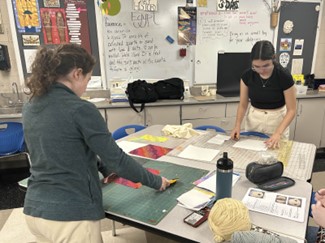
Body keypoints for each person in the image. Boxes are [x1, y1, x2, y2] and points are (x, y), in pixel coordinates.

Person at [22, 43, 170, 243]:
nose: (85, 87)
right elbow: (118, 160)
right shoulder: (80, 109)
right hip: (70, 217)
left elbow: (62, 150)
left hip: (35, 211)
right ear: (77, 74)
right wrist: (156, 181)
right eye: (88, 79)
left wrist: (103, 168)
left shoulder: (32, 104)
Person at [230, 40, 296, 149]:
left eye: (266, 66)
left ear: (273, 58)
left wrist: (278, 133)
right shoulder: (247, 76)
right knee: (251, 155)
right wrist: (237, 125)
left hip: (277, 121)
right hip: (254, 120)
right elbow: (243, 104)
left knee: (275, 157)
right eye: (256, 66)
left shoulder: (284, 76)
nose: (261, 70)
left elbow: (292, 110)